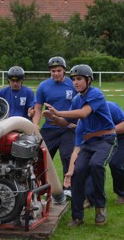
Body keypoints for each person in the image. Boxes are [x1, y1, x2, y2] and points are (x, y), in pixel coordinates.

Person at [44, 64, 115, 227]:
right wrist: (53, 118)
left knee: (96, 166)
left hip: (106, 139)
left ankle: (100, 208)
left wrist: (58, 112)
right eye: (74, 79)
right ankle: (77, 217)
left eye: (79, 79)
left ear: (88, 80)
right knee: (77, 172)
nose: (75, 82)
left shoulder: (95, 94)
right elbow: (66, 122)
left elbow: (83, 113)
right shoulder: (76, 99)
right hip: (88, 142)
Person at [32, 56, 76, 192]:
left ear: (64, 71)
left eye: (59, 70)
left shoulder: (73, 84)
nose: (56, 73)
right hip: (49, 129)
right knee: (39, 158)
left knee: (67, 157)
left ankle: (68, 188)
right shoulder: (43, 86)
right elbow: (38, 108)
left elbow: (81, 106)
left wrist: (77, 123)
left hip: (68, 129)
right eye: (53, 71)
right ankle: (41, 188)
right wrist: (35, 125)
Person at [85, 101, 124, 206]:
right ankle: (90, 198)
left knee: (116, 163)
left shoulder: (109, 106)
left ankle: (123, 193)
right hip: (104, 135)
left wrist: (103, 132)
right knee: (92, 163)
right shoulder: (81, 111)